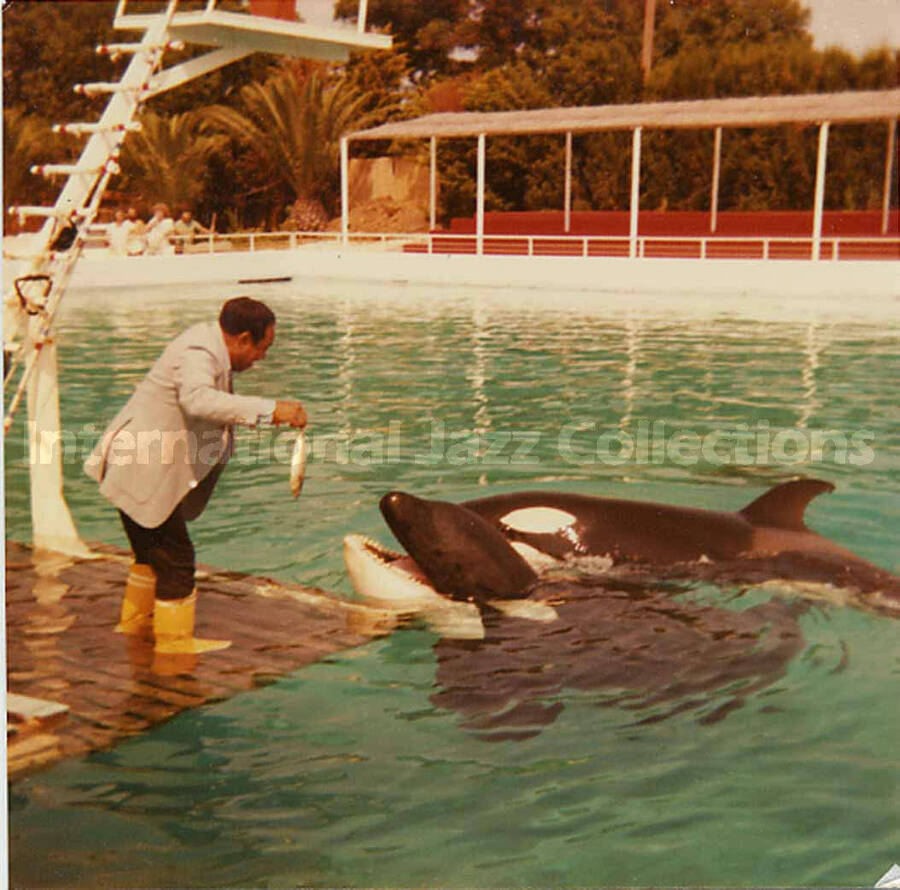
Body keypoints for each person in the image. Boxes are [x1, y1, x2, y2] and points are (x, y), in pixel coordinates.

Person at [84, 297, 307, 657]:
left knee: (150, 555)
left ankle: (135, 627)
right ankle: (174, 648)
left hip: (139, 469)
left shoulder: (207, 345)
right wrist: (270, 410)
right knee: (178, 560)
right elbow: (198, 400)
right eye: (263, 348)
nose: (262, 357)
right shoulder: (200, 350)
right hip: (142, 470)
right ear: (243, 338)